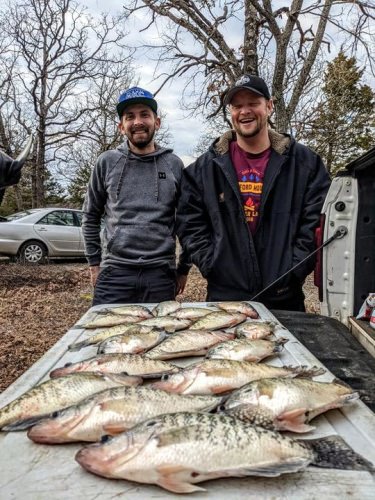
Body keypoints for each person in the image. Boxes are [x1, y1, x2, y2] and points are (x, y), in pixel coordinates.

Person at [176, 74, 331, 311]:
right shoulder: (204, 169)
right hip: (225, 298)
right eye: (237, 105)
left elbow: (316, 222)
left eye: (253, 103)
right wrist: (213, 266)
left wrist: (292, 270)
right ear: (231, 112)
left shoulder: (305, 164)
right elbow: (189, 223)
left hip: (284, 297)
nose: (245, 111)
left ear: (269, 106)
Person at [82, 86, 190, 305]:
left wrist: (183, 268)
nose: (137, 121)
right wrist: (95, 264)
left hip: (160, 273)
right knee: (102, 337)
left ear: (157, 122)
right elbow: (90, 215)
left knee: (159, 336)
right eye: (129, 117)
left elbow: (187, 221)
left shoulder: (174, 165)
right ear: (121, 127)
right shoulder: (107, 162)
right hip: (115, 272)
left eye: (144, 115)